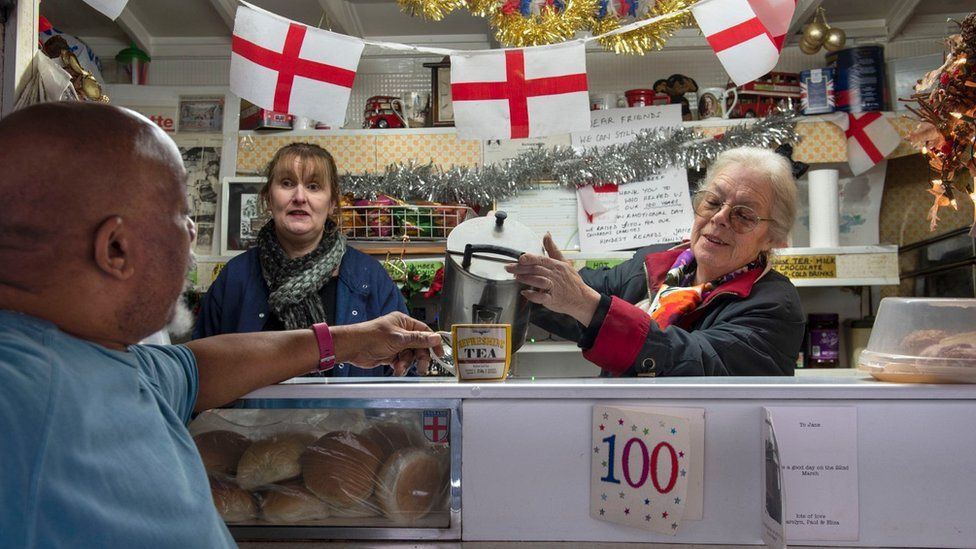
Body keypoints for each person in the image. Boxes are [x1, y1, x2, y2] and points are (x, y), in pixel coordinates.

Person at [0, 102, 442, 547]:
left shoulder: (119, 363)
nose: (192, 232)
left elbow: (198, 368)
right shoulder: (21, 408)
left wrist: (350, 341)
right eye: (179, 213)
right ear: (116, 247)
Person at [506, 147, 804, 377]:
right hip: (617, 436)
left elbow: (695, 360)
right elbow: (577, 300)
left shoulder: (774, 305)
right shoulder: (654, 264)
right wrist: (514, 276)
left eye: (743, 215)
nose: (719, 218)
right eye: (712, 201)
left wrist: (587, 304)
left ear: (772, 236)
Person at [194, 142, 409, 376]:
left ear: (332, 203)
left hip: (349, 414)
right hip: (248, 415)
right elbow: (201, 372)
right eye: (287, 183)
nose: (299, 196)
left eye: (313, 186)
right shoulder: (235, 278)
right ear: (268, 197)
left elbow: (404, 372)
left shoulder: (370, 277)